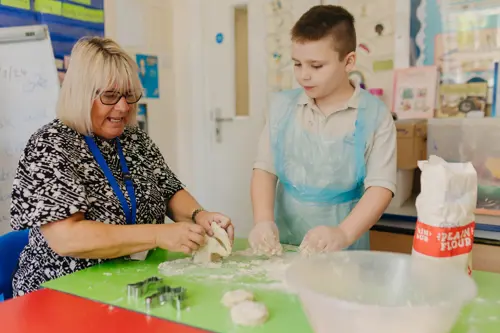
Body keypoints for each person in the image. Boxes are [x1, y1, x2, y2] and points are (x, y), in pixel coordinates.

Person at [10, 37, 234, 296]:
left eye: (129, 95)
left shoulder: (133, 138)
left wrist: (199, 216)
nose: (124, 107)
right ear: (81, 94)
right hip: (61, 289)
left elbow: (168, 189)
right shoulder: (50, 145)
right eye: (110, 96)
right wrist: (158, 235)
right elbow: (66, 237)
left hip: (130, 281)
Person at [248, 5, 396, 255]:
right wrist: (263, 221)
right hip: (284, 245)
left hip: (344, 248)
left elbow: (380, 188)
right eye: (297, 64)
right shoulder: (282, 107)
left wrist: (343, 233)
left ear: (348, 61)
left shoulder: (375, 116)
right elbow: (264, 169)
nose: (303, 76)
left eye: (316, 66)